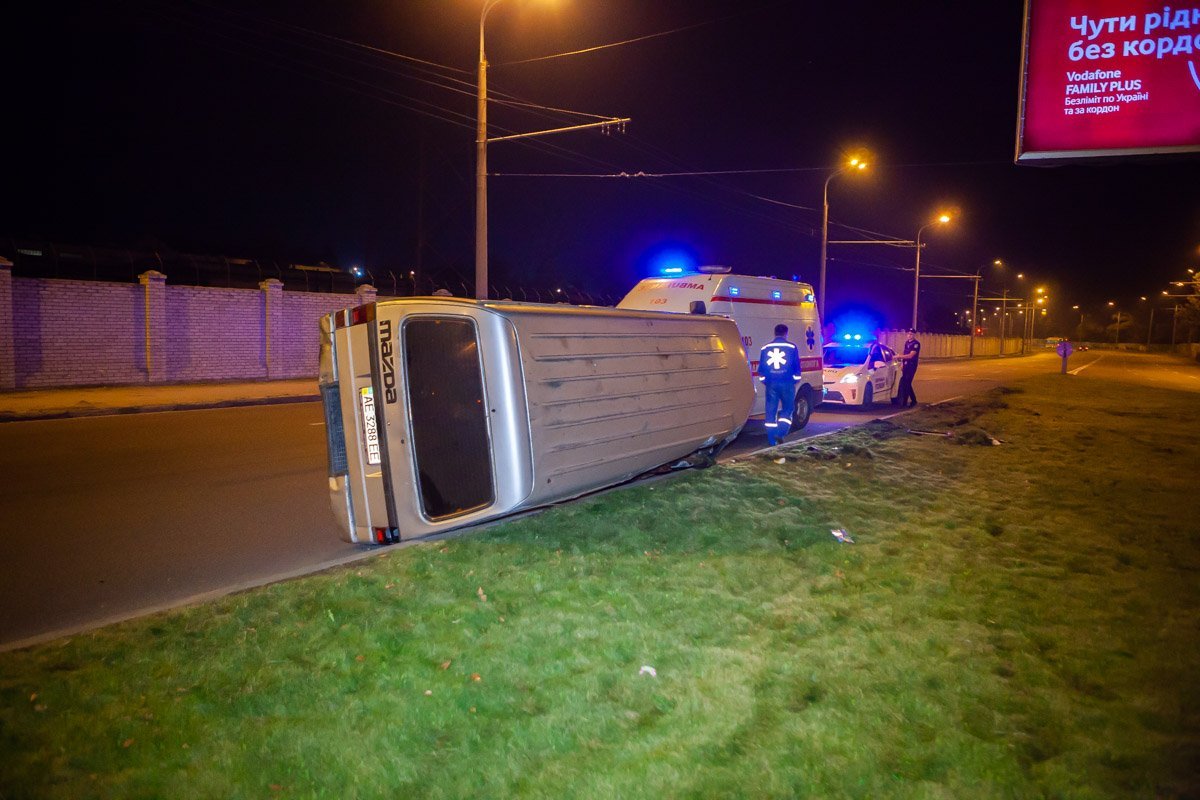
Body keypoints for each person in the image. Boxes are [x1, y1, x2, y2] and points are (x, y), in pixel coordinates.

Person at [757, 323, 802, 446]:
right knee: (787, 409)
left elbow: (761, 368)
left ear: (775, 333)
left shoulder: (765, 348)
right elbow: (796, 367)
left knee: (770, 412)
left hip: (771, 383)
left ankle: (772, 441)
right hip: (787, 383)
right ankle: (781, 433)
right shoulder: (792, 347)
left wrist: (765, 381)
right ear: (786, 333)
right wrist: (795, 380)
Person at [895, 328, 921, 407]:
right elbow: (905, 352)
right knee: (905, 383)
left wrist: (899, 356)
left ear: (914, 335)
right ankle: (905, 402)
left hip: (912, 365)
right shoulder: (907, 343)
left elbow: (910, 356)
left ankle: (912, 400)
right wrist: (902, 363)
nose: (909, 335)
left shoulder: (916, 344)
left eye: (911, 334)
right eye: (909, 334)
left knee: (907, 383)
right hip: (906, 364)